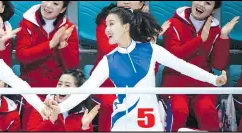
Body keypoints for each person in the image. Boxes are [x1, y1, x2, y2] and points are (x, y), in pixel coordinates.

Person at [42, 7, 228, 131]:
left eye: (111, 24)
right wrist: (61, 107)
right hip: (122, 123)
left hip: (150, 124)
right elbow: (86, 89)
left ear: (126, 27)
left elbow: (184, 67)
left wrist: (214, 80)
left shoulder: (152, 50)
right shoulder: (109, 60)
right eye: (106, 25)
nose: (106, 29)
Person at [161, 1, 239, 131]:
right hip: (175, 83)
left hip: (203, 84)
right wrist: (200, 40)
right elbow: (174, 58)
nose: (201, 4)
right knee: (178, 110)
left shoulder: (215, 30)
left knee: (206, 110)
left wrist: (223, 37)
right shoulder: (172, 24)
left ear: (214, 9)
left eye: (208, 3)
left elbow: (219, 65)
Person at [93, 1, 169, 131]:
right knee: (111, 104)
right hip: (109, 82)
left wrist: (147, 34)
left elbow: (150, 69)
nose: (126, 1)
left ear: (141, 5)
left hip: (137, 84)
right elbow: (111, 53)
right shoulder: (106, 22)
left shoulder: (144, 26)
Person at [14, 1, 79, 130]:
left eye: (55, 3)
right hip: (32, 88)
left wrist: (63, 47)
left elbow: (72, 66)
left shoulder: (68, 28)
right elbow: (22, 56)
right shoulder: (26, 23)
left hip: (58, 89)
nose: (48, 5)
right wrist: (50, 44)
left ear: (62, 9)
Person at [27, 69, 100, 131]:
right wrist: (51, 121)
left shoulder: (84, 113)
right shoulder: (42, 108)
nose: (61, 88)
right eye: (59, 84)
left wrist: (84, 127)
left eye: (67, 85)